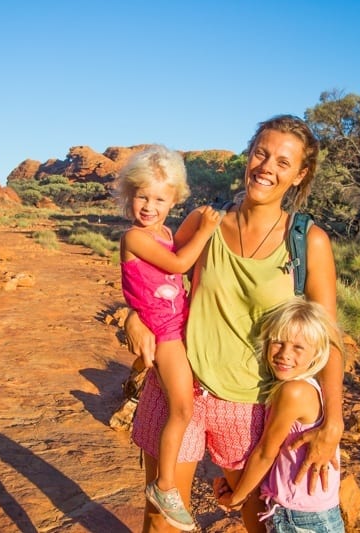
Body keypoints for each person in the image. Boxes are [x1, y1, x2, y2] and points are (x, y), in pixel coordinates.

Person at [125, 115, 344, 532]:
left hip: (251, 404)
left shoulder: (309, 243)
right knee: (162, 520)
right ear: (249, 156)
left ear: (300, 175)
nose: (267, 167)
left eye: (283, 162)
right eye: (261, 153)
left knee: (257, 518)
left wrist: (333, 421)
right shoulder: (204, 223)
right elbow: (157, 283)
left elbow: (329, 339)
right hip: (180, 388)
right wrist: (136, 316)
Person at [115, 145, 221, 531]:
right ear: (130, 194)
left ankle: (164, 484)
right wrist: (207, 230)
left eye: (159, 198)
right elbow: (178, 264)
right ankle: (164, 486)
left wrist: (198, 223)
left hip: (177, 327)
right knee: (182, 408)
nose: (149, 205)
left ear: (173, 199)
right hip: (165, 334)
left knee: (184, 403)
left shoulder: (162, 233)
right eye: (142, 195)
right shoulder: (135, 238)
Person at [216, 298, 345, 532]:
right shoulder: (310, 387)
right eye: (278, 342)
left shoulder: (293, 392)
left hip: (300, 519)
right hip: (310, 513)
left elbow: (267, 452)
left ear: (317, 353)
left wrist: (237, 497)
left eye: (298, 347)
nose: (284, 354)